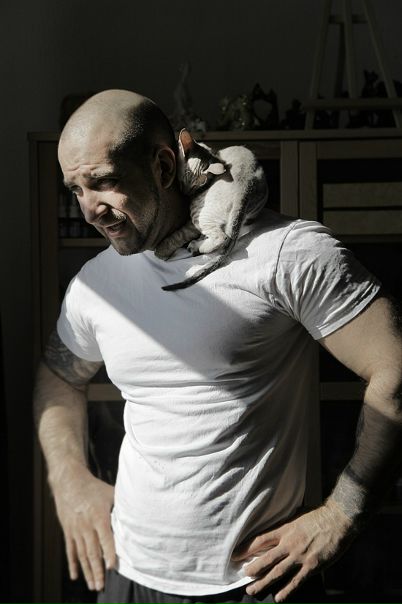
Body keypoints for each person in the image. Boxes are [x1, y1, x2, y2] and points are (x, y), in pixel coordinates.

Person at [34, 89, 402, 604]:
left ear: (165, 166)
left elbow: (395, 369)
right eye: (75, 189)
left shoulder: (286, 253)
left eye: (104, 182)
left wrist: (342, 514)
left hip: (257, 581)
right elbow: (59, 376)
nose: (90, 209)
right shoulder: (95, 283)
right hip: (129, 574)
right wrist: (70, 479)